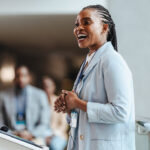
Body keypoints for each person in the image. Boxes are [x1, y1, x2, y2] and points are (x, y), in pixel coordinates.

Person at [54, 5, 135, 150]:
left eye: (86, 22)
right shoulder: (88, 62)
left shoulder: (112, 60)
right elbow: (81, 117)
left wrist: (78, 103)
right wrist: (69, 107)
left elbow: (121, 112)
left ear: (104, 28)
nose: (78, 28)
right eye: (77, 24)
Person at [0, 65, 51, 144]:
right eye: (18, 76)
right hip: (10, 136)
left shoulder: (40, 95)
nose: (21, 79)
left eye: (24, 76)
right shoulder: (3, 96)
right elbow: (0, 122)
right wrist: (12, 133)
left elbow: (44, 123)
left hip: (34, 137)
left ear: (29, 77)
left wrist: (32, 134)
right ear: (14, 78)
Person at [42, 76, 68, 150]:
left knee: (54, 146)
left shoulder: (59, 102)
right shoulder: (39, 103)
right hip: (43, 134)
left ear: (53, 87)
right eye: (44, 87)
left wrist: (52, 135)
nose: (46, 89)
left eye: (48, 86)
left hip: (58, 134)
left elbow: (64, 125)